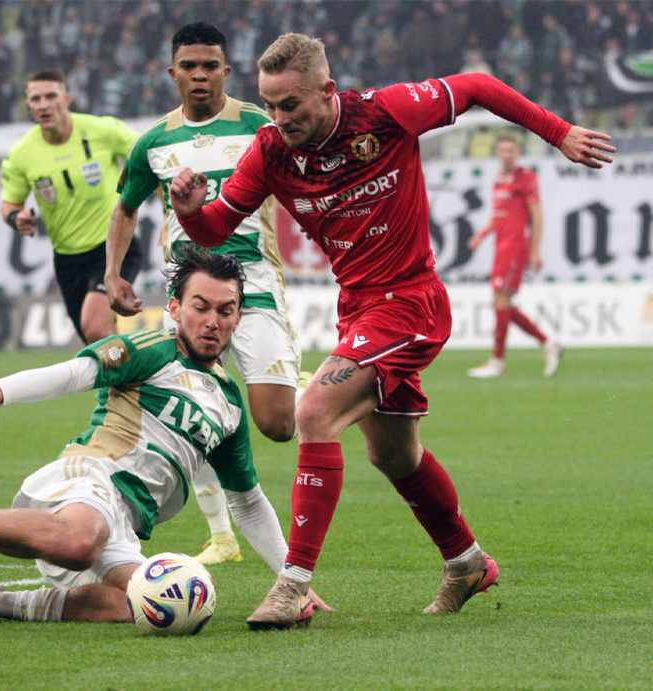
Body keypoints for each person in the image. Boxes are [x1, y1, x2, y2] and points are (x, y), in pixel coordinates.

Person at [167, 33, 615, 629]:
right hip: (357, 308)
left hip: (409, 302)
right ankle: (467, 562)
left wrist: (558, 133)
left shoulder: (386, 112)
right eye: (270, 105)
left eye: (290, 104)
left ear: (327, 91)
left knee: (313, 412)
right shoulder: (270, 151)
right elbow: (217, 228)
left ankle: (293, 584)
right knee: (394, 454)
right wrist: (191, 210)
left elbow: (477, 86)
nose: (278, 118)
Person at [0, 248, 331, 626]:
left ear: (239, 317)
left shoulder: (231, 406)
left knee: (155, 606)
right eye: (201, 306)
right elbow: (74, 374)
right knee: (80, 540)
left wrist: (293, 580)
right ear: (176, 307)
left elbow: (248, 502)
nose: (213, 321)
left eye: (225, 311)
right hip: (89, 480)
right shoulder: (152, 347)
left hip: (125, 521)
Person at [106, 23, 304, 567]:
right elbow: (126, 207)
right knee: (190, 415)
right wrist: (112, 273)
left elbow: (302, 180)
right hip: (188, 295)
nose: (200, 75)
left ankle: (302, 383)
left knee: (277, 426)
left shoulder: (259, 125)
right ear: (172, 73)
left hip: (253, 285)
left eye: (210, 66)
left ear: (226, 71)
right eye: (189, 66)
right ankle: (222, 535)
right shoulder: (154, 142)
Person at [1, 69, 143, 344]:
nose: (44, 105)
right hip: (67, 260)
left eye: (50, 96)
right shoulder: (21, 154)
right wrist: (15, 217)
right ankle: (133, 372)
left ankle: (134, 369)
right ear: (28, 106)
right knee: (99, 342)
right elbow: (9, 203)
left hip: (112, 248)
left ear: (66, 99)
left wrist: (166, 207)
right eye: (36, 99)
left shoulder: (102, 130)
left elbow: (148, 154)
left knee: (95, 328)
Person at [467, 134, 562, 379]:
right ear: (497, 153)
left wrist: (535, 251)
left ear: (518, 152)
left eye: (510, 150)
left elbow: (537, 215)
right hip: (500, 247)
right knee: (502, 304)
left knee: (501, 301)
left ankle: (498, 361)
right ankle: (548, 343)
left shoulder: (526, 178)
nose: (506, 155)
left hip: (516, 247)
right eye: (502, 150)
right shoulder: (499, 179)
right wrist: (480, 236)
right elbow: (497, 214)